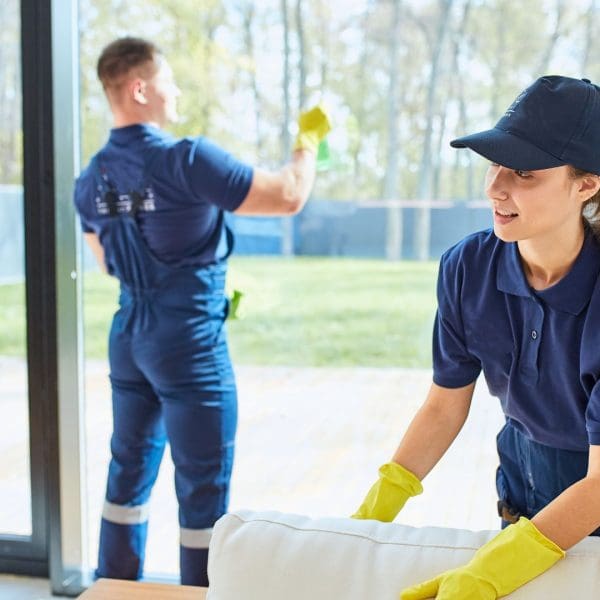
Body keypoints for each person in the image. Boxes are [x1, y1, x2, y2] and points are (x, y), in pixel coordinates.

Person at [74, 36, 330, 587]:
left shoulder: (90, 179)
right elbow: (287, 196)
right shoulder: (186, 160)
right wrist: (307, 142)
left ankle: (113, 590)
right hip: (188, 345)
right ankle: (199, 595)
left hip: (130, 340)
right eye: (168, 79)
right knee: (202, 489)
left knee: (127, 475)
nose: (177, 89)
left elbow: (109, 264)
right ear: (140, 88)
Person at [353, 75, 600, 599]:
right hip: (522, 505)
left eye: (525, 172)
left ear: (587, 183)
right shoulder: (468, 268)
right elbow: (445, 406)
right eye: (495, 165)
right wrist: (374, 513)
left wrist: (489, 575)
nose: (494, 187)